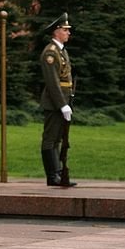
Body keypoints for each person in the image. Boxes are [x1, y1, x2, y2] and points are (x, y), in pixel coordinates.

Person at [39, 12, 76, 187]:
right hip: (55, 103)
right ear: (56, 31)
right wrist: (62, 105)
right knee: (50, 138)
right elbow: (52, 83)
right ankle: (53, 175)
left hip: (63, 101)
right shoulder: (51, 53)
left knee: (58, 139)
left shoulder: (62, 52)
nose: (68, 33)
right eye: (65, 30)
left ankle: (59, 174)